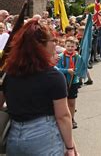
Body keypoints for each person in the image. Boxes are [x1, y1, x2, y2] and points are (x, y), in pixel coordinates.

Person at [0, 20, 77, 155]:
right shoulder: (53, 76)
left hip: (15, 137)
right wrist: (70, 147)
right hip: (44, 137)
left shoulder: (9, 73)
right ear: (40, 46)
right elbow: (63, 116)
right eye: (53, 40)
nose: (56, 43)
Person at [56, 37, 82, 129]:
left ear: (76, 46)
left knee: (71, 102)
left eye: (72, 46)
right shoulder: (60, 57)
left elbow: (81, 69)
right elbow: (57, 69)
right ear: (65, 46)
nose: (70, 48)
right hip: (63, 82)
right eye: (68, 46)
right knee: (64, 103)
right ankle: (64, 119)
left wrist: (77, 70)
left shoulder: (78, 57)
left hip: (74, 82)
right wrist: (67, 70)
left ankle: (71, 119)